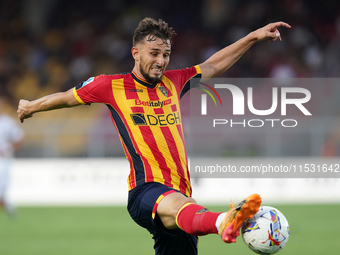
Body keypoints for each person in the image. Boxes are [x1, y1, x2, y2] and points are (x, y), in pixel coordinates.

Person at [17, 18, 290, 254]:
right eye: (154, 53)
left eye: (166, 54)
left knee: (185, 215)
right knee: (186, 207)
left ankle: (217, 221)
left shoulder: (175, 81)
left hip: (181, 200)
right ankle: (223, 221)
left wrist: (253, 37)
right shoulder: (110, 86)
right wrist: (30, 106)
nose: (161, 61)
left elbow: (212, 66)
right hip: (145, 191)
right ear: (136, 53)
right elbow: (66, 98)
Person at [0, 98, 24, 216]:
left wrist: (9, 148)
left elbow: (19, 138)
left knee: (1, 190)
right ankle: (9, 208)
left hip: (2, 160)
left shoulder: (7, 122)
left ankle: (9, 208)